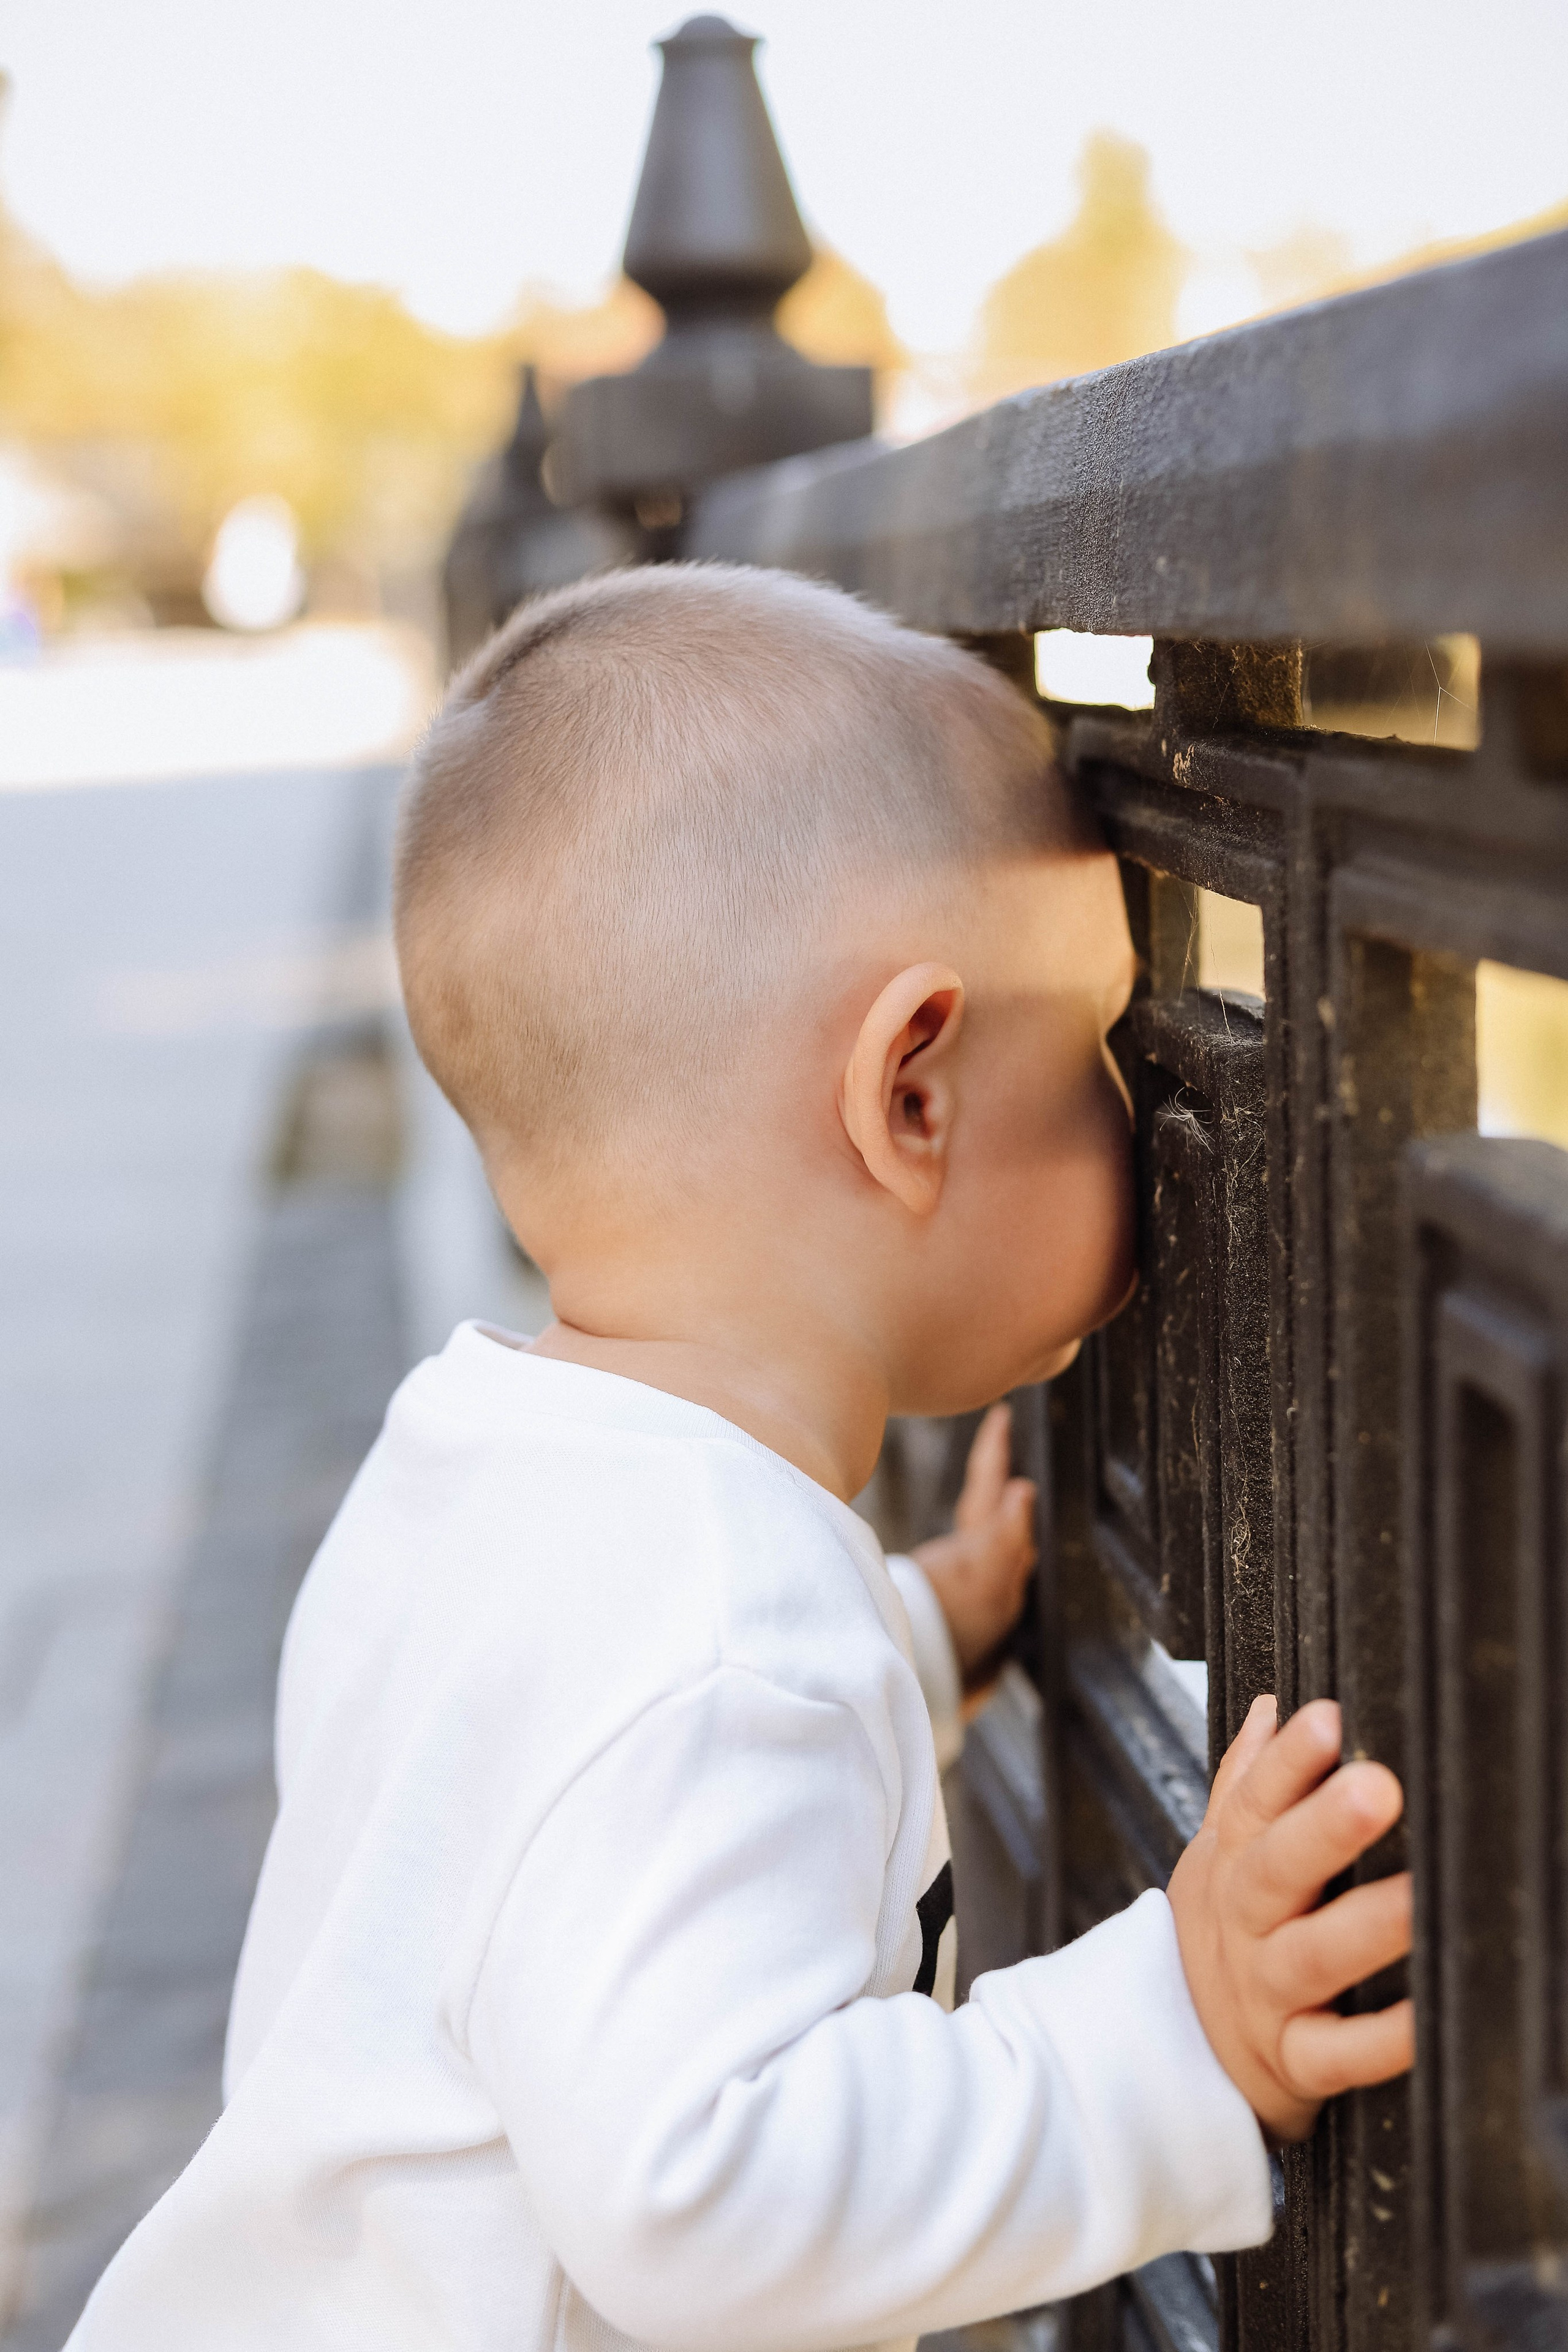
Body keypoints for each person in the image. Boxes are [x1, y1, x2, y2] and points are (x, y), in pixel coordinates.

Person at [67, 565, 1412, 2350]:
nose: (1136, 1104)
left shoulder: (474, 1471)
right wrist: (1175, 2028)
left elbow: (569, 1788)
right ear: (910, 1093)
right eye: (1093, 1042)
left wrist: (912, 1636)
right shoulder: (719, 1634)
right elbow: (704, 2192)